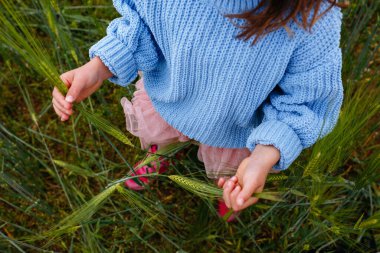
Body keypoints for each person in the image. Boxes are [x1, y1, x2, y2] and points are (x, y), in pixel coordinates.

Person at [51, 0, 345, 219]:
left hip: (235, 129)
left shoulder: (313, 17)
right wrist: (99, 67)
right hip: (172, 99)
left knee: (229, 175)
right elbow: (142, 24)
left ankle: (229, 188)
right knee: (162, 135)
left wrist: (263, 156)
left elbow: (306, 100)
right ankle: (160, 155)